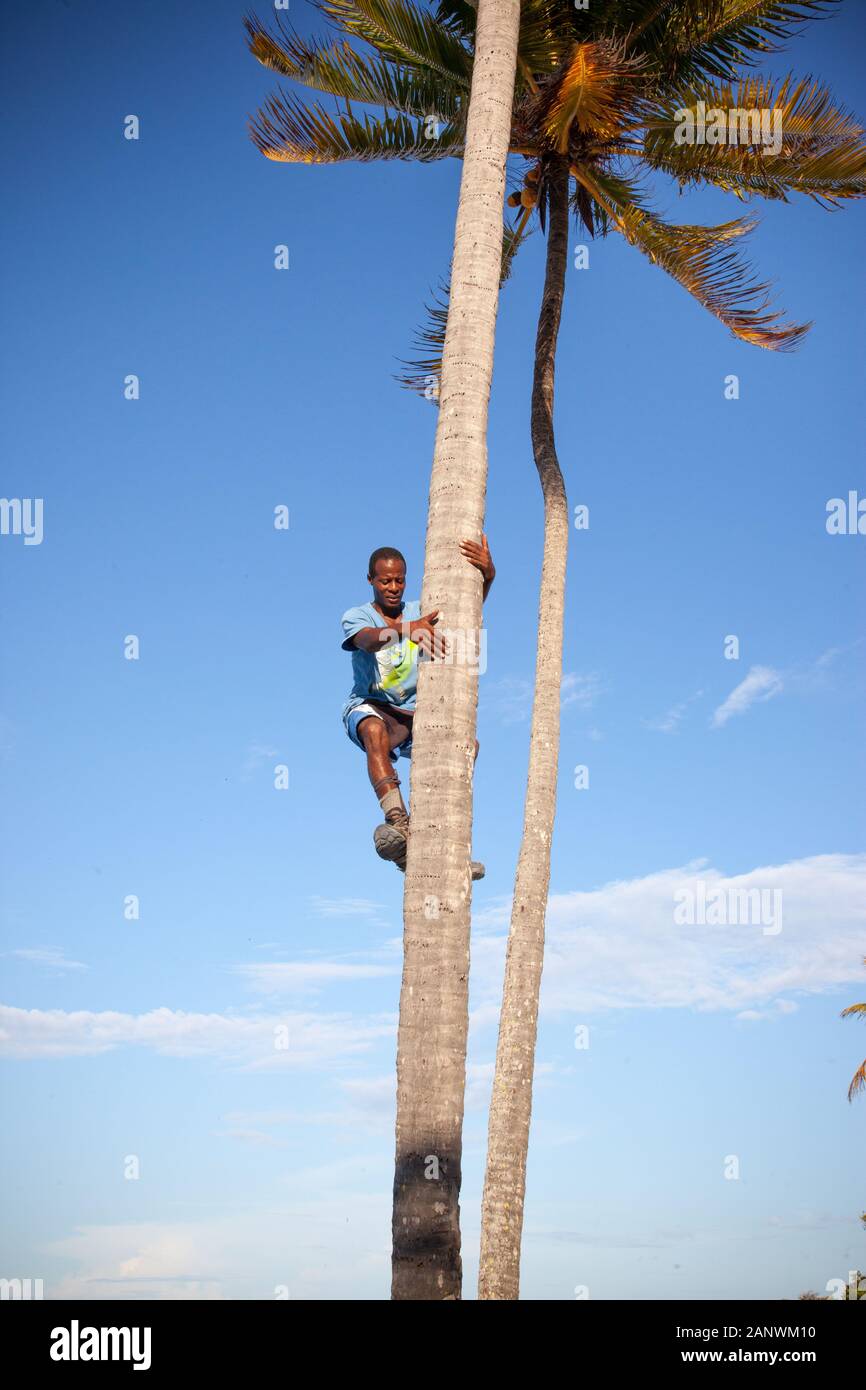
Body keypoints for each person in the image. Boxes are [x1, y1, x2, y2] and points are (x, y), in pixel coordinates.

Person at [340, 536, 495, 875]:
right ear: (370, 581)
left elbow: (463, 615)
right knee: (372, 729)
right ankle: (398, 821)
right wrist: (406, 630)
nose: (393, 587)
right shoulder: (357, 615)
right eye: (385, 581)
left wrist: (489, 576)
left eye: (399, 580)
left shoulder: (420, 608)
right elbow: (365, 641)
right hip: (372, 705)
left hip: (413, 715)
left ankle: (444, 841)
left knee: (468, 746)